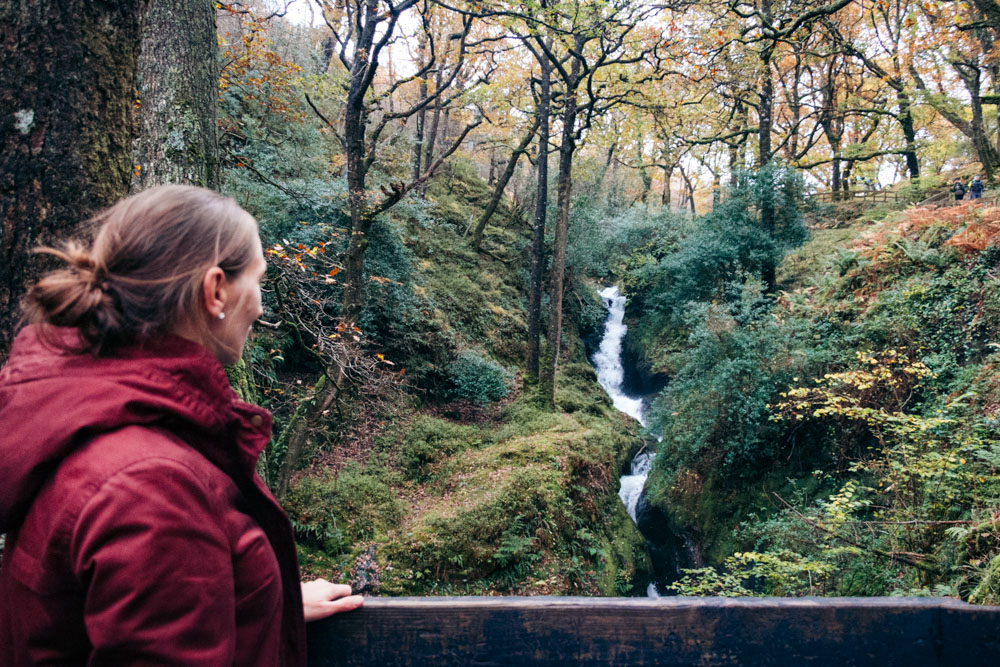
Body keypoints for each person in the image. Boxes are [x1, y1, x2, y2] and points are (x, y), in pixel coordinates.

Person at [0, 185, 363, 665]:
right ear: (215, 290)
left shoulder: (82, 416)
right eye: (258, 280)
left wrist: (267, 602)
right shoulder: (152, 483)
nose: (258, 306)